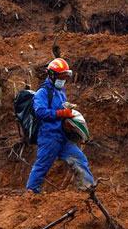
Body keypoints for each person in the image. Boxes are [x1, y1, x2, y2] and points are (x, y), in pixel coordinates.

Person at [25, 58, 94, 193]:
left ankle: (88, 191)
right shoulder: (43, 92)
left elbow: (61, 110)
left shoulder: (61, 91)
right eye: (61, 76)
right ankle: (31, 194)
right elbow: (40, 112)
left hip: (62, 136)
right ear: (51, 75)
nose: (63, 80)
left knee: (79, 159)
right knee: (42, 166)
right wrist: (61, 113)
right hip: (49, 137)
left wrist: (68, 118)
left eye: (65, 76)